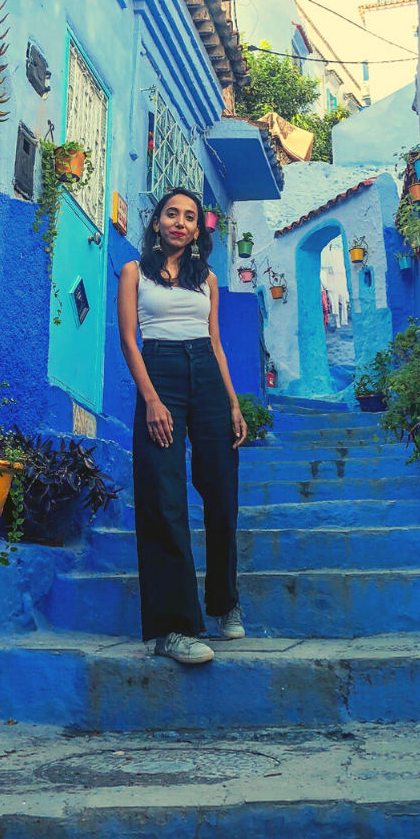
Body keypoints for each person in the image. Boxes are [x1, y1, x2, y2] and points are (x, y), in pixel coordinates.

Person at [117, 187, 248, 665]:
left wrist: (233, 403)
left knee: (220, 492)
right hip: (160, 374)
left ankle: (224, 602)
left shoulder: (207, 279)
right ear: (156, 223)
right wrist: (151, 399)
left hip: (207, 378)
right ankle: (172, 628)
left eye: (190, 217)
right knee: (163, 497)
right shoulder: (134, 273)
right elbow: (130, 340)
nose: (180, 222)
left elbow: (215, 344)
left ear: (197, 230)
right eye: (171, 213)